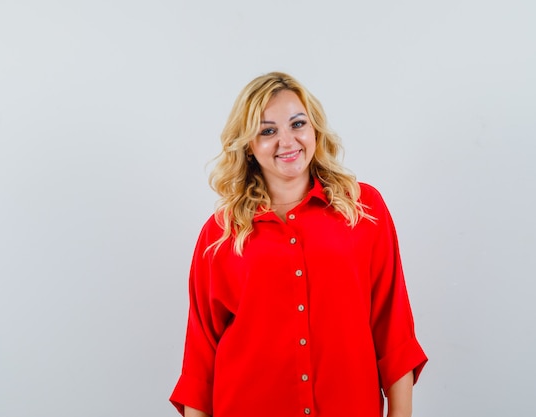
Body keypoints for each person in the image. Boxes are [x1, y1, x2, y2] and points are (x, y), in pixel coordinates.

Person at [170, 72, 427, 417]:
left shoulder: (363, 209)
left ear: (315, 129)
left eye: (297, 124)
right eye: (268, 130)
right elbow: (200, 363)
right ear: (249, 145)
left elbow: (394, 334)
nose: (287, 141)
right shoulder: (220, 235)